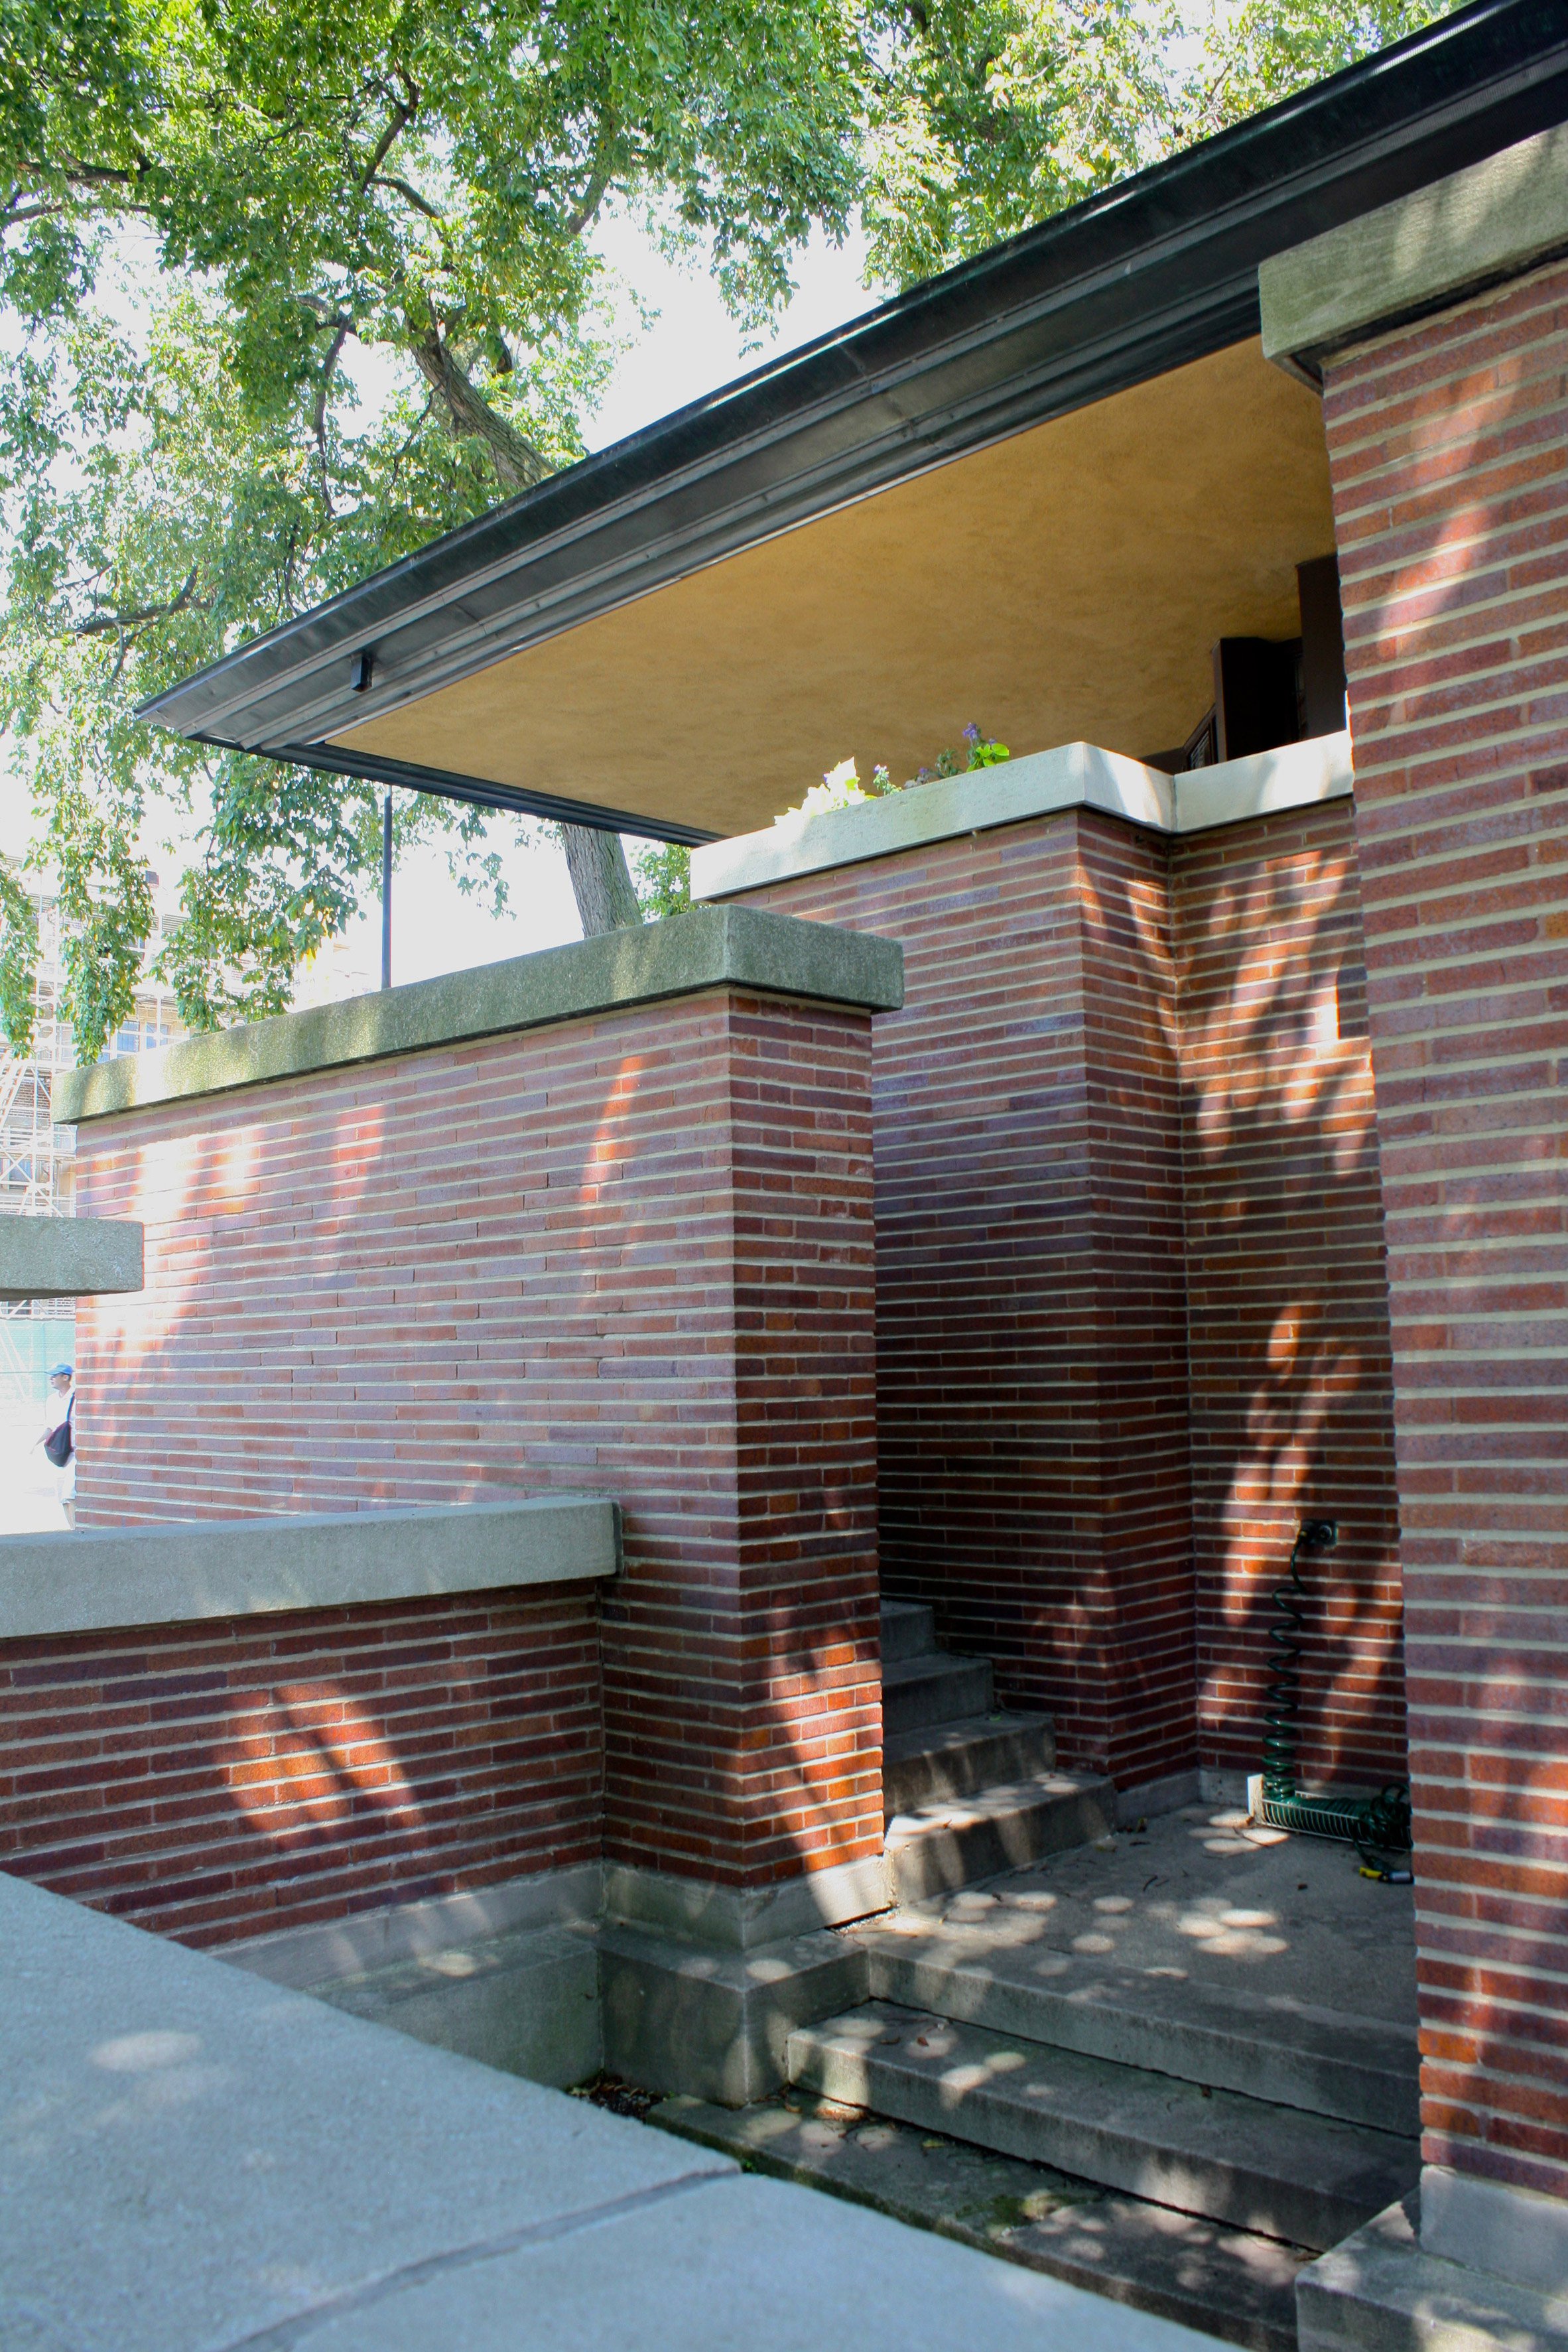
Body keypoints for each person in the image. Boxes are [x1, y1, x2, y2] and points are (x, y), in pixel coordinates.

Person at [39, 1362, 75, 1529]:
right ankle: (71, 1530)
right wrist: (35, 1444)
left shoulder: (76, 1398)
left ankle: (76, 1532)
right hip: (59, 1455)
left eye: (55, 1375)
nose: (51, 1379)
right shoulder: (51, 1400)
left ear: (66, 1377)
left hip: (74, 1453)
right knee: (62, 1495)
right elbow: (50, 1427)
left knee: (71, 1494)